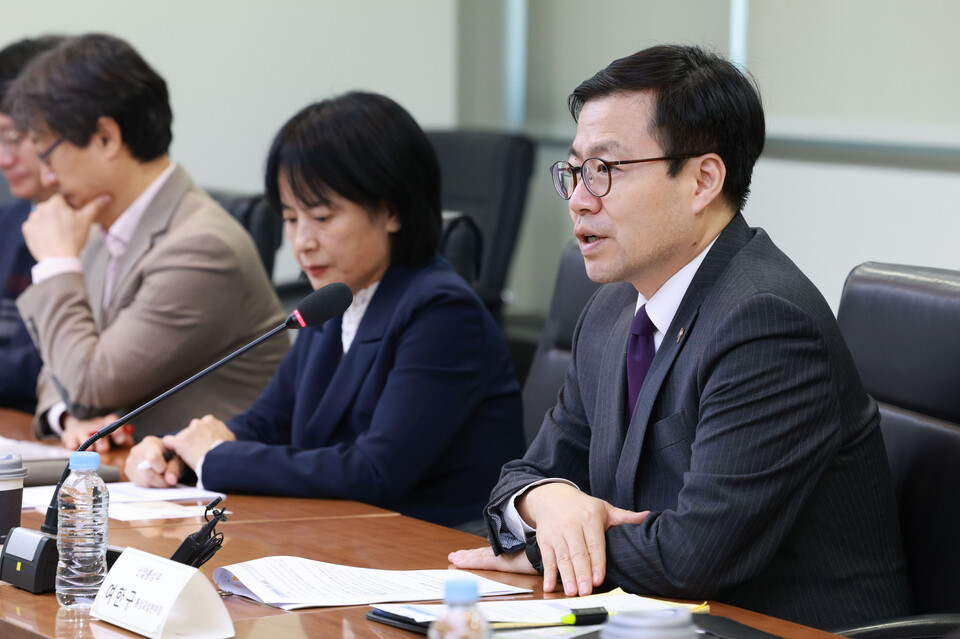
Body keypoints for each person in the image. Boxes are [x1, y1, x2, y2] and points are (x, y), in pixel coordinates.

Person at [449, 45, 912, 629]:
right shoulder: (612, 310)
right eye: (574, 171)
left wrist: (535, 547)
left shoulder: (766, 323)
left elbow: (690, 556)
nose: (579, 199)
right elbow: (523, 475)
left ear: (702, 180)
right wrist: (548, 503)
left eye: (605, 171)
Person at [125, 92, 525, 528]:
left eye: (321, 217)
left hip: (436, 554)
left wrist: (218, 458)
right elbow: (267, 422)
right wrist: (180, 452)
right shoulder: (335, 299)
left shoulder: (442, 313)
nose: (302, 242)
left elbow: (376, 471)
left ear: (390, 210)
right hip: (347, 538)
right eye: (291, 219)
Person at [8, 33, 288, 450]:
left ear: (106, 138)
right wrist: (68, 418)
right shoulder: (99, 225)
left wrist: (56, 264)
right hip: (135, 477)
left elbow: (87, 383)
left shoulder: (203, 247)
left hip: (220, 498)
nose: (47, 178)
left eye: (48, 155)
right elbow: (59, 365)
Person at [0, 36, 63, 412]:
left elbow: (39, 370)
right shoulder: (9, 221)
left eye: (13, 138)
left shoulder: (99, 235)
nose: (3, 160)